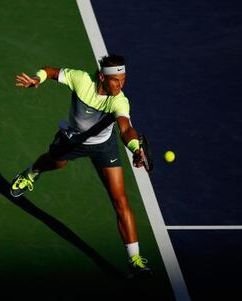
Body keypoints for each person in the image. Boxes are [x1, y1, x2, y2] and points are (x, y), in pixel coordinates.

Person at [10, 54, 152, 278]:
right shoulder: (81, 79)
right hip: (72, 141)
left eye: (124, 80)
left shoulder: (119, 100)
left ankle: (134, 259)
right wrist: (37, 79)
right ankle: (31, 172)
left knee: (120, 199)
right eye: (116, 80)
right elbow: (49, 70)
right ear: (101, 78)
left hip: (104, 148)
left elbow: (125, 129)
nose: (121, 84)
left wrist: (135, 148)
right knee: (55, 163)